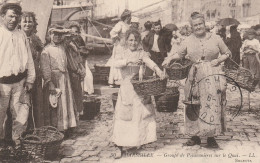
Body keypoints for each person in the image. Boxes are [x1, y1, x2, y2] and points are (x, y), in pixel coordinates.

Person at [163, 12, 231, 148]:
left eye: (200, 24)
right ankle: (195, 136)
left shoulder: (216, 38)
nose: (198, 27)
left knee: (211, 104)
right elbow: (179, 53)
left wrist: (218, 60)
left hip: (212, 75)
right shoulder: (188, 40)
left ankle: (211, 136)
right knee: (193, 104)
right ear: (192, 27)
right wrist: (169, 58)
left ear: (205, 24)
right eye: (195, 25)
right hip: (194, 75)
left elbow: (227, 53)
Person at [111, 29, 167, 156]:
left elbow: (150, 63)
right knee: (124, 116)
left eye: (135, 40)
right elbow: (115, 63)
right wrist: (127, 61)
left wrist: (159, 71)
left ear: (138, 41)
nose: (133, 42)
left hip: (139, 88)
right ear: (126, 41)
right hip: (126, 88)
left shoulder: (141, 53)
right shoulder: (122, 52)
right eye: (130, 40)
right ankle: (119, 145)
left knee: (139, 116)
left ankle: (138, 140)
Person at [0, 3, 35, 146]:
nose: (13, 19)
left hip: (20, 83)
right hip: (2, 84)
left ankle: (17, 142)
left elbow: (29, 60)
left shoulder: (21, 35)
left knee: (20, 114)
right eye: (10, 16)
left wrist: (30, 79)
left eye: (16, 16)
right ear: (2, 17)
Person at [40, 25, 77, 136]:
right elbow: (45, 68)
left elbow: (71, 35)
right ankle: (57, 128)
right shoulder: (46, 50)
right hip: (54, 79)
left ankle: (67, 126)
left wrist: (63, 31)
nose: (57, 36)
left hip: (64, 78)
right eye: (54, 34)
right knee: (56, 104)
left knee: (66, 102)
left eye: (59, 34)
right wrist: (49, 82)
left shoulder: (63, 46)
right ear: (49, 35)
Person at [20, 12, 44, 129]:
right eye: (25, 21)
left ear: (34, 23)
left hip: (37, 76)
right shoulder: (18, 37)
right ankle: (26, 131)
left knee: (38, 104)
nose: (27, 24)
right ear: (20, 23)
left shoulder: (36, 39)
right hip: (23, 77)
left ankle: (38, 130)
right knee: (24, 105)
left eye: (30, 21)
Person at [106, 9, 131, 87]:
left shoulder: (127, 25)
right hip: (120, 46)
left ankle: (122, 79)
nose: (131, 18)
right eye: (130, 16)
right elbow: (112, 32)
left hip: (126, 45)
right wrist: (119, 39)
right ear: (127, 17)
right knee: (117, 61)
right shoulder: (120, 24)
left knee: (124, 61)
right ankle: (114, 80)